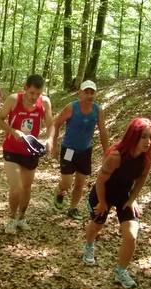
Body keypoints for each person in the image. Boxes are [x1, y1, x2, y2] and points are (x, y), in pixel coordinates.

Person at [81, 117, 151, 289]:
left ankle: (120, 271)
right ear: (133, 136)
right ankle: (89, 245)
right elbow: (100, 181)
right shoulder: (116, 156)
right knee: (97, 224)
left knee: (131, 235)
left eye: (150, 137)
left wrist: (132, 199)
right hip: (104, 193)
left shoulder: (148, 154)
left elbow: (143, 177)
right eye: (143, 137)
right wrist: (101, 202)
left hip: (124, 195)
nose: (147, 141)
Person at [0, 74, 54, 234]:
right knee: (16, 187)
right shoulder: (13, 100)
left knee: (27, 188)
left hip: (31, 151)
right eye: (31, 93)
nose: (34, 97)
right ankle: (12, 219)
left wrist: (49, 139)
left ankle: (22, 218)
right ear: (25, 88)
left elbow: (50, 125)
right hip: (11, 149)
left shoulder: (45, 102)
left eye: (38, 93)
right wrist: (12, 131)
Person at [52, 80, 108, 220]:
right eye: (86, 92)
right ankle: (60, 192)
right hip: (69, 150)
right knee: (67, 181)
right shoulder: (72, 108)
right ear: (80, 93)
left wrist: (107, 151)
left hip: (85, 152)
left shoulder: (97, 110)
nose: (89, 95)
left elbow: (103, 131)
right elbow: (57, 124)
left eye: (92, 92)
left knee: (80, 183)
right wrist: (53, 145)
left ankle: (73, 208)